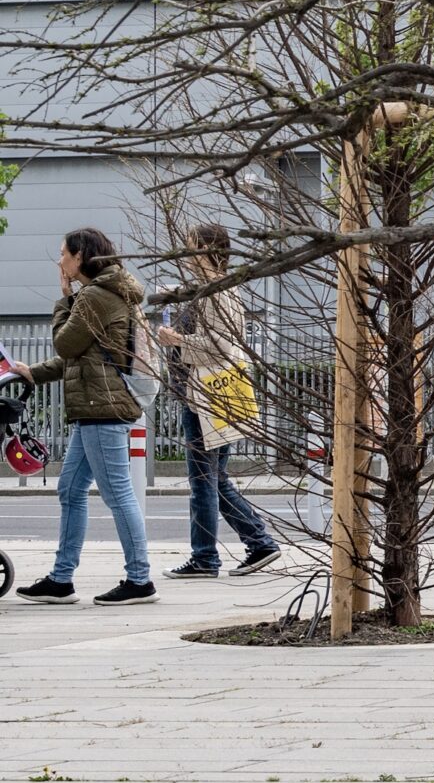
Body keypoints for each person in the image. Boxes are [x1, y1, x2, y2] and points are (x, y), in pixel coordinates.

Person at [14, 229, 156, 605]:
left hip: (101, 407)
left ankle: (140, 579)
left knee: (118, 493)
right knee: (71, 490)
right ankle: (61, 580)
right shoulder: (105, 294)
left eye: (63, 254)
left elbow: (65, 342)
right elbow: (79, 357)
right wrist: (35, 372)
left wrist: (64, 301)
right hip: (97, 406)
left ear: (80, 257)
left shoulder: (93, 296)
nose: (59, 261)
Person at [159, 223, 282, 579]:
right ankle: (259, 542)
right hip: (207, 396)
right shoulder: (211, 289)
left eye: (190, 247)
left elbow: (220, 346)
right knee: (216, 478)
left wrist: (176, 340)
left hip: (205, 399)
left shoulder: (217, 291)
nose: (185, 255)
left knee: (203, 481)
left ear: (206, 250)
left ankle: (205, 558)